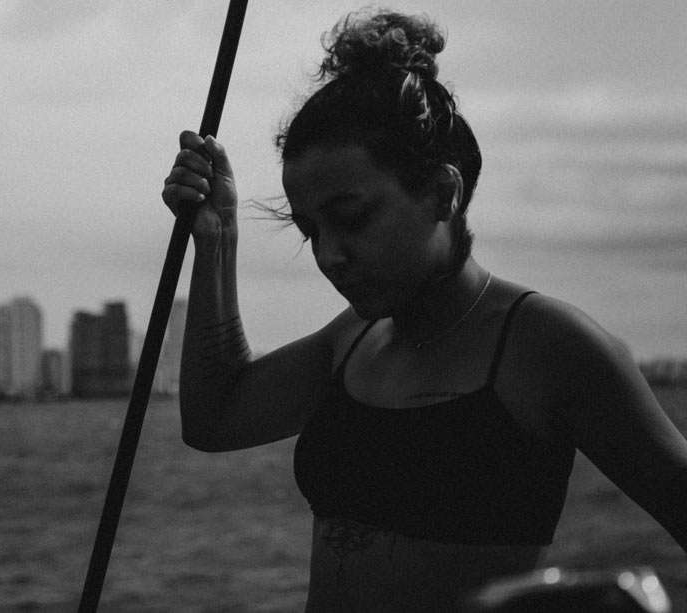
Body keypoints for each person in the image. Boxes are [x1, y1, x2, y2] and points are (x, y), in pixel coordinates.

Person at [160, 8, 687, 612]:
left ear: (442, 192)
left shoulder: (547, 345)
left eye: (353, 217)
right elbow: (216, 419)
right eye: (310, 229)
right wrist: (218, 235)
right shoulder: (353, 340)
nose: (330, 254)